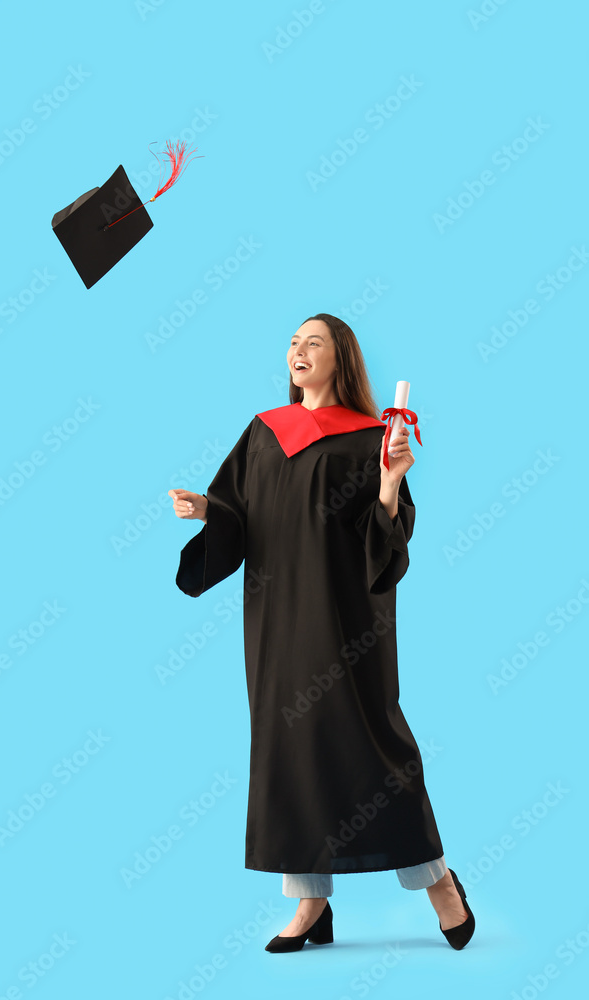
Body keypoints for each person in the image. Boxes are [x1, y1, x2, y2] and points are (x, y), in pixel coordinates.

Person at [169, 313, 475, 953]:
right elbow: (239, 514)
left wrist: (390, 485)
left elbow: (385, 545)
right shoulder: (264, 433)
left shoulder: (371, 438)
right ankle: (311, 902)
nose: (297, 351)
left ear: (343, 360)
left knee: (372, 745)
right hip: (278, 621)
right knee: (289, 748)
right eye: (292, 342)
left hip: (348, 625)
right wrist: (208, 509)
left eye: (314, 343)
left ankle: (439, 880)